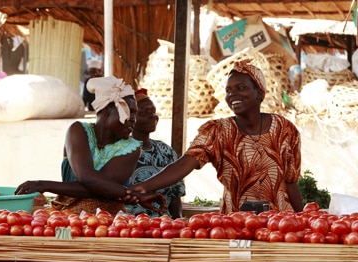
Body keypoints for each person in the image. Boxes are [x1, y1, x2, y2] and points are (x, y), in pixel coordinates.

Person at [127, 59, 304, 214]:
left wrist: (302, 220)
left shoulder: (285, 130)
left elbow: (291, 183)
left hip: (280, 224)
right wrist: (143, 187)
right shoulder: (217, 132)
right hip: (236, 226)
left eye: (240, 88)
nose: (232, 94)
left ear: (259, 92)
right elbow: (183, 165)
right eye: (228, 90)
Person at [15, 76, 164, 215]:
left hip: (110, 218)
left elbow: (92, 183)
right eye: (128, 112)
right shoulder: (78, 130)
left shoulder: (131, 148)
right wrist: (128, 193)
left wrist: (43, 185)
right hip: (68, 213)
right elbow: (92, 180)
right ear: (106, 111)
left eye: (134, 114)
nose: (132, 119)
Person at [125, 88, 186, 219]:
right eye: (144, 112)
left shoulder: (166, 151)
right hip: (131, 226)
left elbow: (175, 196)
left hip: (165, 226)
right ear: (130, 117)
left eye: (153, 112)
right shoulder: (121, 150)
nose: (152, 116)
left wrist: (179, 221)